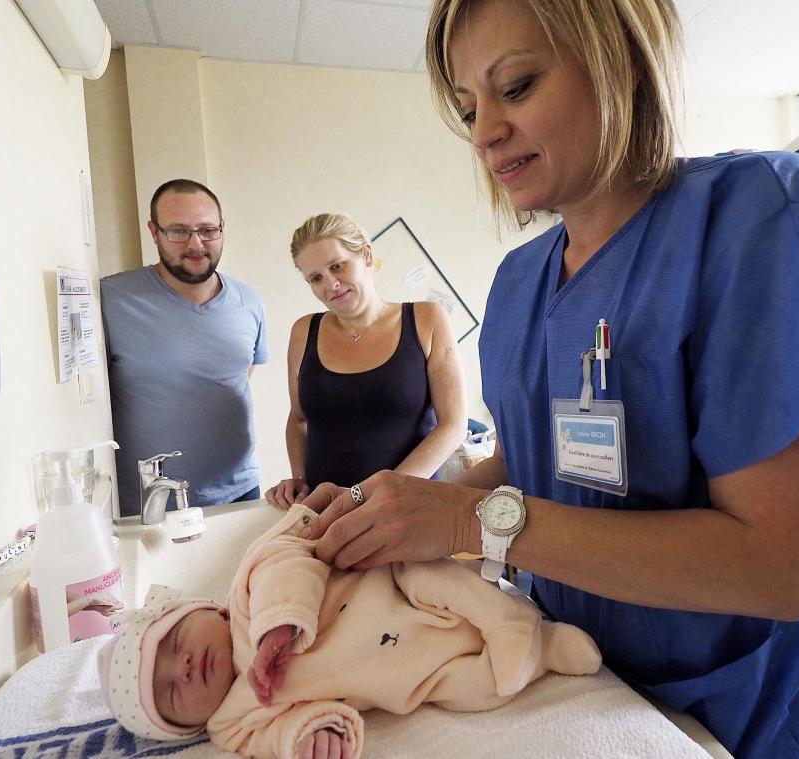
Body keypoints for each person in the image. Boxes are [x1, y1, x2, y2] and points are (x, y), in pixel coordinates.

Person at [295, 1, 799, 757]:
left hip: (767, 718)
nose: (485, 131)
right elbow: (533, 463)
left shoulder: (755, 215)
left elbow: (788, 566)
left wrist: (469, 525)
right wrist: (394, 509)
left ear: (617, 62)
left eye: (515, 87)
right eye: (467, 107)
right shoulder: (519, 283)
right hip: (595, 700)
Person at [96, 504, 601, 759]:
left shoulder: (246, 595)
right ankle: (546, 652)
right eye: (169, 692)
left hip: (400, 589)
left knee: (430, 573)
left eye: (176, 643)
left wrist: (279, 623)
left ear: (203, 612)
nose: (182, 668)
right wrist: (312, 735)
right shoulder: (232, 723)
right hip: (414, 675)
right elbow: (275, 737)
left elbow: (288, 555)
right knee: (470, 690)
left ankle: (506, 619)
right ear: (183, 728)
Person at [263, 214, 466, 509]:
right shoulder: (304, 331)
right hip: (326, 513)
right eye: (316, 278)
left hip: (406, 507)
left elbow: (453, 425)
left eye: (337, 266)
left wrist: (382, 495)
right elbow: (298, 419)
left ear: (366, 255)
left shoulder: (427, 319)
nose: (330, 284)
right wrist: (300, 481)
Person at [102, 179, 268, 513]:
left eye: (208, 230)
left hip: (240, 492)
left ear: (222, 228)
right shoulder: (110, 298)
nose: (196, 244)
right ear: (154, 232)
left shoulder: (249, 301)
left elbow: (237, 377)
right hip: (148, 504)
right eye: (178, 231)